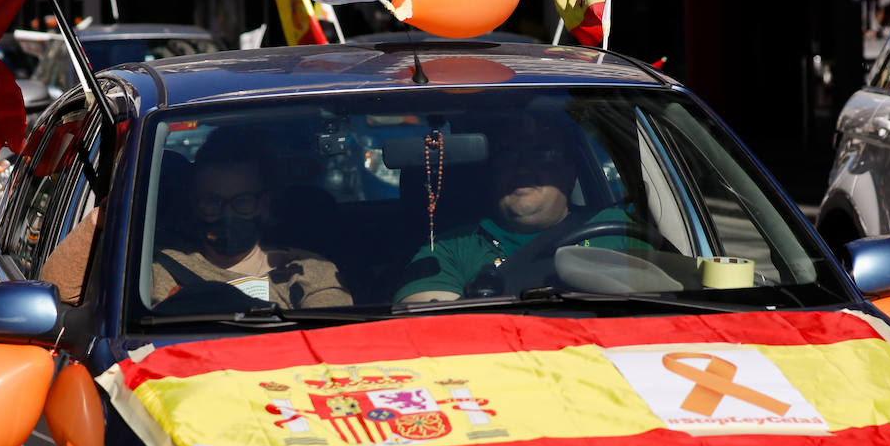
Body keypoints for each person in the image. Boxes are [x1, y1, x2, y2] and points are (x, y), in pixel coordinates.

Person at [393, 120, 628, 303]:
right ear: (493, 175)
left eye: (541, 154)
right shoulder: (451, 248)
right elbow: (426, 325)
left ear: (569, 173)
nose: (523, 168)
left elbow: (660, 298)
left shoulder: (615, 229)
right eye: (509, 155)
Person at [149, 127, 351, 308]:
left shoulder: (308, 271)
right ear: (194, 204)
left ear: (265, 203)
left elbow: (330, 339)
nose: (227, 214)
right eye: (212, 201)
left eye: (242, 201)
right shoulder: (159, 272)